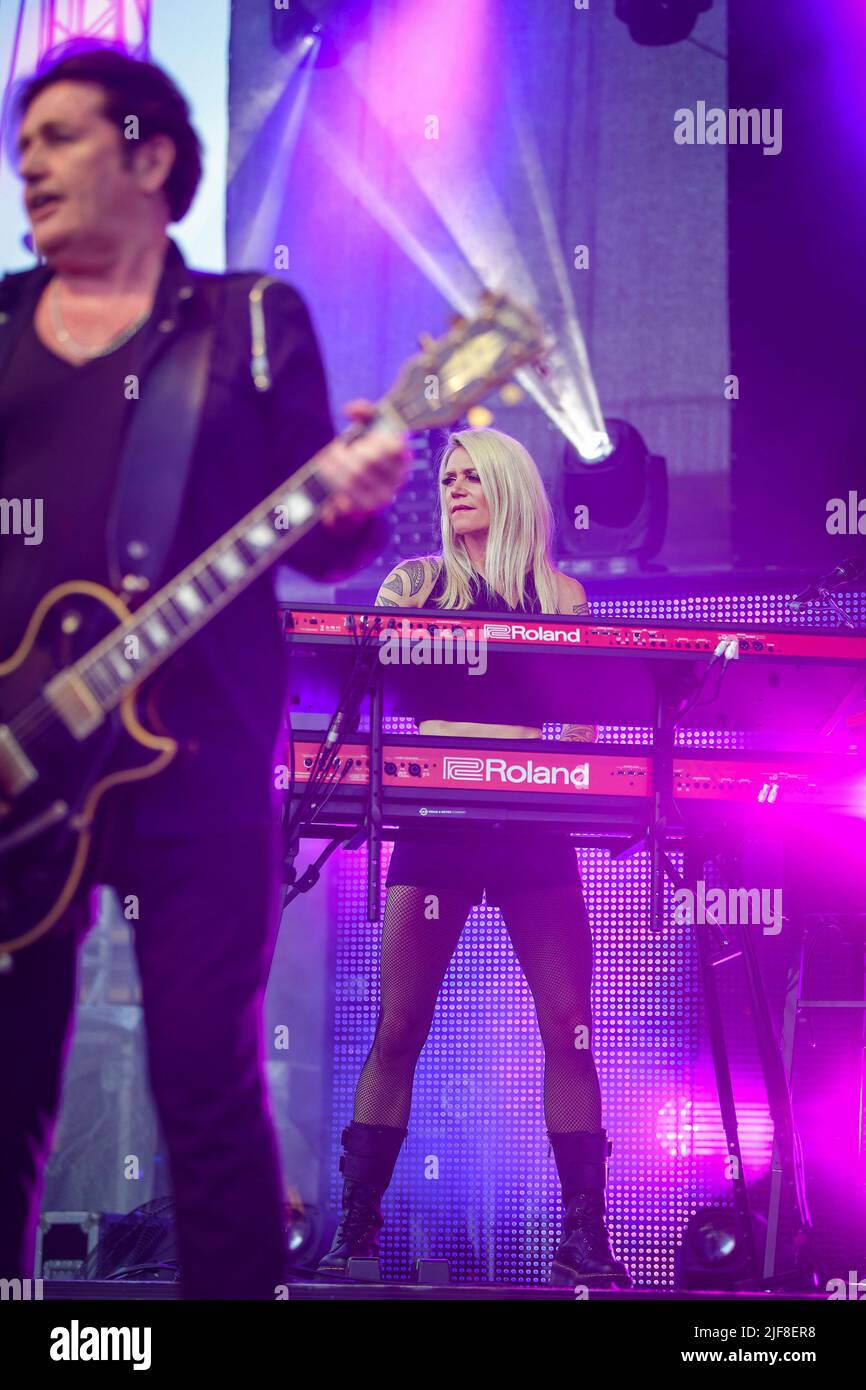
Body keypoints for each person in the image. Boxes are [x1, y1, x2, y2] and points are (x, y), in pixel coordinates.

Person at [0, 44, 408, 1299]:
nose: (30, 163)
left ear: (151, 156)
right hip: (19, 763)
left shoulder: (252, 325)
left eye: (63, 136)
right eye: (23, 144)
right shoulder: (2, 325)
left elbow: (329, 544)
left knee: (203, 1075)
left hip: (202, 762)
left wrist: (357, 502)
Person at [317, 426, 630, 1288]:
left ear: (507, 486)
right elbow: (361, 679)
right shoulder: (415, 584)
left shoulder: (560, 594)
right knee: (400, 1026)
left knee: (571, 1025)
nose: (453, 486)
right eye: (446, 476)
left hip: (531, 825)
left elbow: (586, 731)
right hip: (437, 817)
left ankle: (584, 1235)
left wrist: (562, 768)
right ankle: (359, 1227)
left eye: (469, 475)